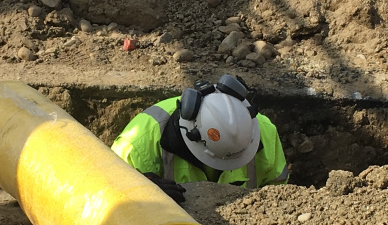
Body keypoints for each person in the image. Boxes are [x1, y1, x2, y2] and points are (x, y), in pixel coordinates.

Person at [112, 74, 288, 202]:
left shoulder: (264, 132)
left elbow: (279, 196)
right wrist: (137, 193)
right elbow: (103, 195)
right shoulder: (138, 143)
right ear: (192, 134)